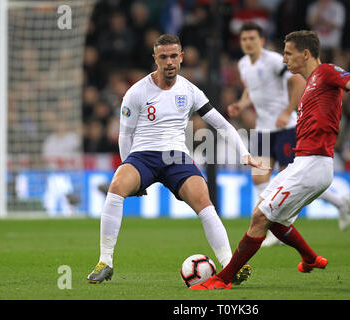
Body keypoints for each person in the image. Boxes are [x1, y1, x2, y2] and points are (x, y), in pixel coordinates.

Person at [190, 30, 350, 290]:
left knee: (259, 217)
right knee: (272, 217)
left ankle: (223, 279)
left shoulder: (325, 72)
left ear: (305, 54)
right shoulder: (310, 84)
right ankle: (311, 258)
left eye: (288, 54)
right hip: (303, 162)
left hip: (313, 163)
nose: (284, 60)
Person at [87, 34, 269, 284]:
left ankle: (230, 266)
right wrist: (128, 167)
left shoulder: (191, 91)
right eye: (163, 57)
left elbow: (221, 124)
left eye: (174, 56)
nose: (169, 62)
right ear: (155, 59)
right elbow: (125, 135)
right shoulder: (136, 92)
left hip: (176, 156)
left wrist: (244, 153)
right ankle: (105, 261)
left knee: (204, 200)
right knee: (117, 185)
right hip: (143, 155)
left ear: (181, 57)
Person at [228, 22, 350, 244]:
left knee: (293, 179)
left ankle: (337, 204)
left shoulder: (276, 61)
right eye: (244, 39)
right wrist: (242, 103)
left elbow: (296, 81)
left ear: (261, 41)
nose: (248, 43)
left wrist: (287, 111)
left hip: (286, 127)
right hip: (264, 129)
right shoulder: (243, 64)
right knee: (258, 176)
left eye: (252, 38)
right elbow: (252, 88)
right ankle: (275, 222)